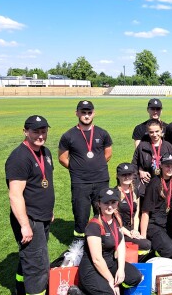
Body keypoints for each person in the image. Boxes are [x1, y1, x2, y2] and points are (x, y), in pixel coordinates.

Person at [6, 115, 55, 295]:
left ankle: (21, 288)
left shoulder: (46, 152)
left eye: (44, 131)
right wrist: (25, 225)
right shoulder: (19, 157)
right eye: (36, 131)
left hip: (42, 216)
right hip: (30, 218)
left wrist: (49, 210)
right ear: (25, 131)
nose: (40, 135)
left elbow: (44, 183)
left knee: (31, 259)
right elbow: (15, 195)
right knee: (37, 266)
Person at [59, 100, 113, 239]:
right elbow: (63, 158)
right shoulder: (68, 135)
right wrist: (78, 169)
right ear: (77, 113)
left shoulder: (102, 133)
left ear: (94, 113)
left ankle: (103, 241)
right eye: (83, 112)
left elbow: (108, 154)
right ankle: (80, 243)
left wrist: (96, 166)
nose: (87, 115)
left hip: (101, 180)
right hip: (80, 183)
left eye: (89, 112)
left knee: (102, 213)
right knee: (81, 214)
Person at [78, 188, 143, 295]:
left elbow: (121, 244)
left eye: (113, 202)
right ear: (99, 204)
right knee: (109, 293)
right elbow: (96, 259)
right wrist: (111, 281)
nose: (110, 206)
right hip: (92, 268)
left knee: (135, 277)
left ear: (117, 203)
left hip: (110, 262)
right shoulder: (94, 226)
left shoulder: (116, 218)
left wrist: (121, 269)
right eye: (106, 203)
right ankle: (80, 291)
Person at [139, 153, 172, 258]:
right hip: (154, 225)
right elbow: (145, 212)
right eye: (167, 166)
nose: (170, 169)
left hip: (168, 224)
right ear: (160, 165)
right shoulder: (154, 184)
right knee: (170, 249)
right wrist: (143, 239)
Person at [115, 163, 152, 260]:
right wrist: (130, 234)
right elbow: (115, 222)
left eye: (129, 174)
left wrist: (135, 230)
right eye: (123, 175)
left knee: (150, 243)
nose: (127, 177)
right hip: (120, 230)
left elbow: (136, 214)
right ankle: (132, 264)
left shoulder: (135, 191)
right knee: (146, 244)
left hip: (132, 229)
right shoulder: (115, 194)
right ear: (118, 176)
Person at [132, 119, 172, 198]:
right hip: (146, 185)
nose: (154, 134)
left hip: (164, 184)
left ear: (161, 130)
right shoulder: (142, 146)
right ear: (148, 132)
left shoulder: (168, 146)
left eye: (157, 131)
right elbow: (134, 164)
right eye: (151, 132)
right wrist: (140, 171)